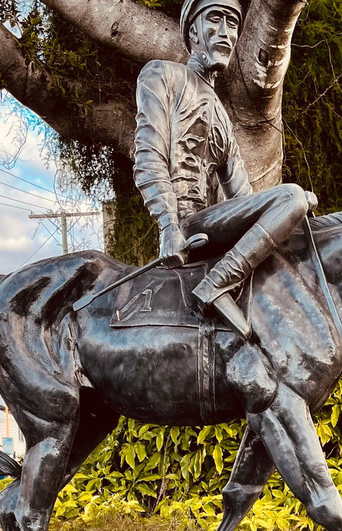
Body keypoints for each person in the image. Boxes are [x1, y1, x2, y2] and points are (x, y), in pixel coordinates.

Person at [133, 0, 316, 340]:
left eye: (233, 24)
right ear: (193, 32)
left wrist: (291, 214)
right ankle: (215, 285)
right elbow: (148, 155)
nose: (226, 33)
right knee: (291, 195)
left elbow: (243, 197)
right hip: (186, 226)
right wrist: (167, 226)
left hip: (214, 226)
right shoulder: (163, 75)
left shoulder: (223, 117)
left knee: (296, 206)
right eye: (215, 20)